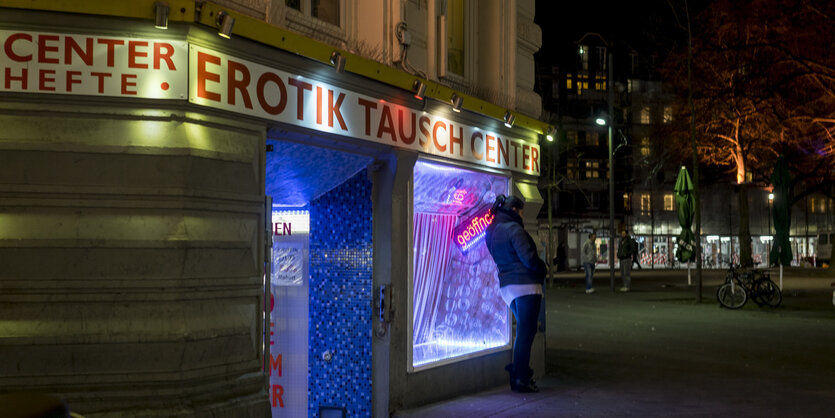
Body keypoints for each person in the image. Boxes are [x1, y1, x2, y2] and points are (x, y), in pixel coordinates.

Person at [485, 195, 546, 393]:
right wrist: (542, 269)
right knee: (526, 333)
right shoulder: (514, 230)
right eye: (521, 211)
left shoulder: (492, 231)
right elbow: (528, 258)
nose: (522, 215)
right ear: (514, 210)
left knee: (523, 331)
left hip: (507, 287)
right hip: (526, 285)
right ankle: (520, 377)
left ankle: (519, 373)